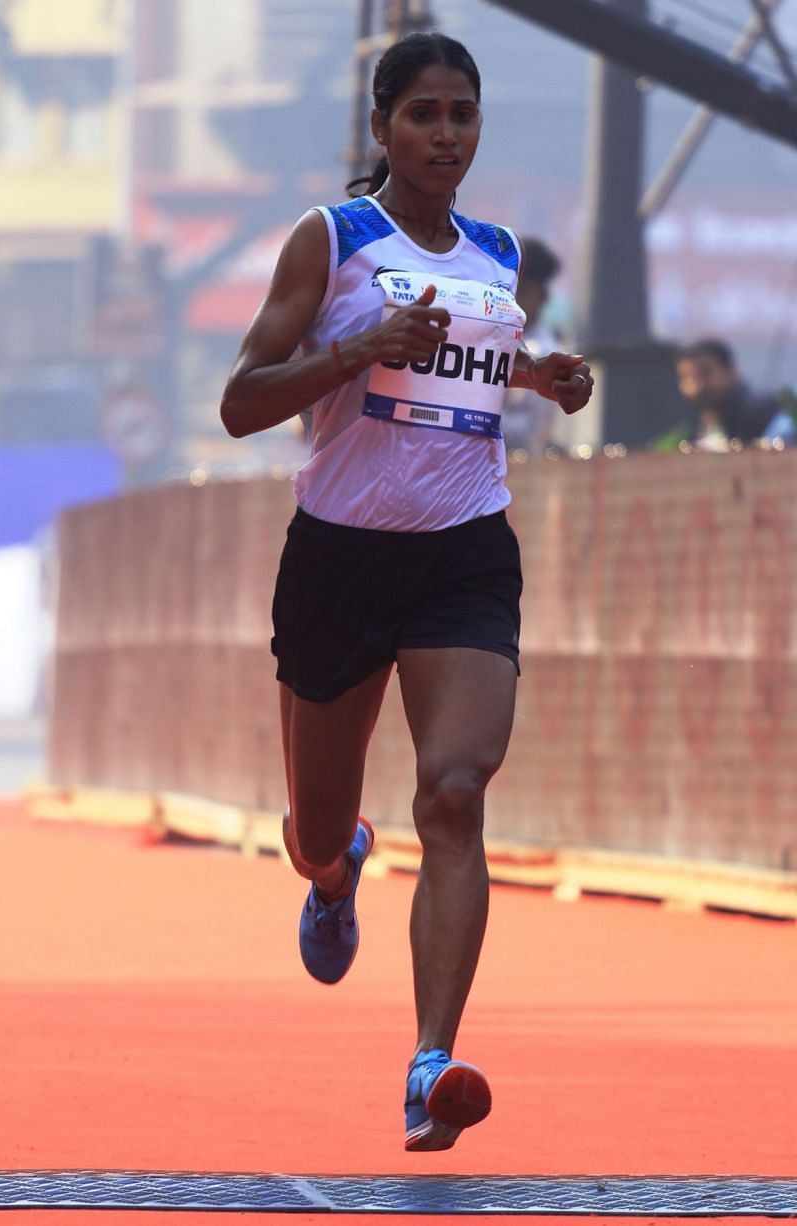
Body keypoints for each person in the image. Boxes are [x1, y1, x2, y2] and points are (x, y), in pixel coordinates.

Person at [220, 31, 593, 1152]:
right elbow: (242, 401)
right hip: (339, 555)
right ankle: (335, 873)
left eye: (462, 116)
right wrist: (354, 349)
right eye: (423, 114)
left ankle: (430, 1061)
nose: (445, 136)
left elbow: (473, 364)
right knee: (315, 825)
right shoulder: (329, 240)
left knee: (458, 791)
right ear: (381, 126)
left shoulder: (494, 250)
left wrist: (544, 375)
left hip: (461, 551)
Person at [501, 238, 564, 454]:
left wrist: (470, 418)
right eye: (510, 290)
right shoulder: (497, 337)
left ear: (543, 297)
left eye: (524, 291)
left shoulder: (544, 354)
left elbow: (529, 436)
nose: (514, 299)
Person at [675, 338, 790, 450]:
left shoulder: (763, 412)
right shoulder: (688, 429)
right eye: (687, 377)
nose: (696, 385)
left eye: (705, 373)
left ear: (731, 371)